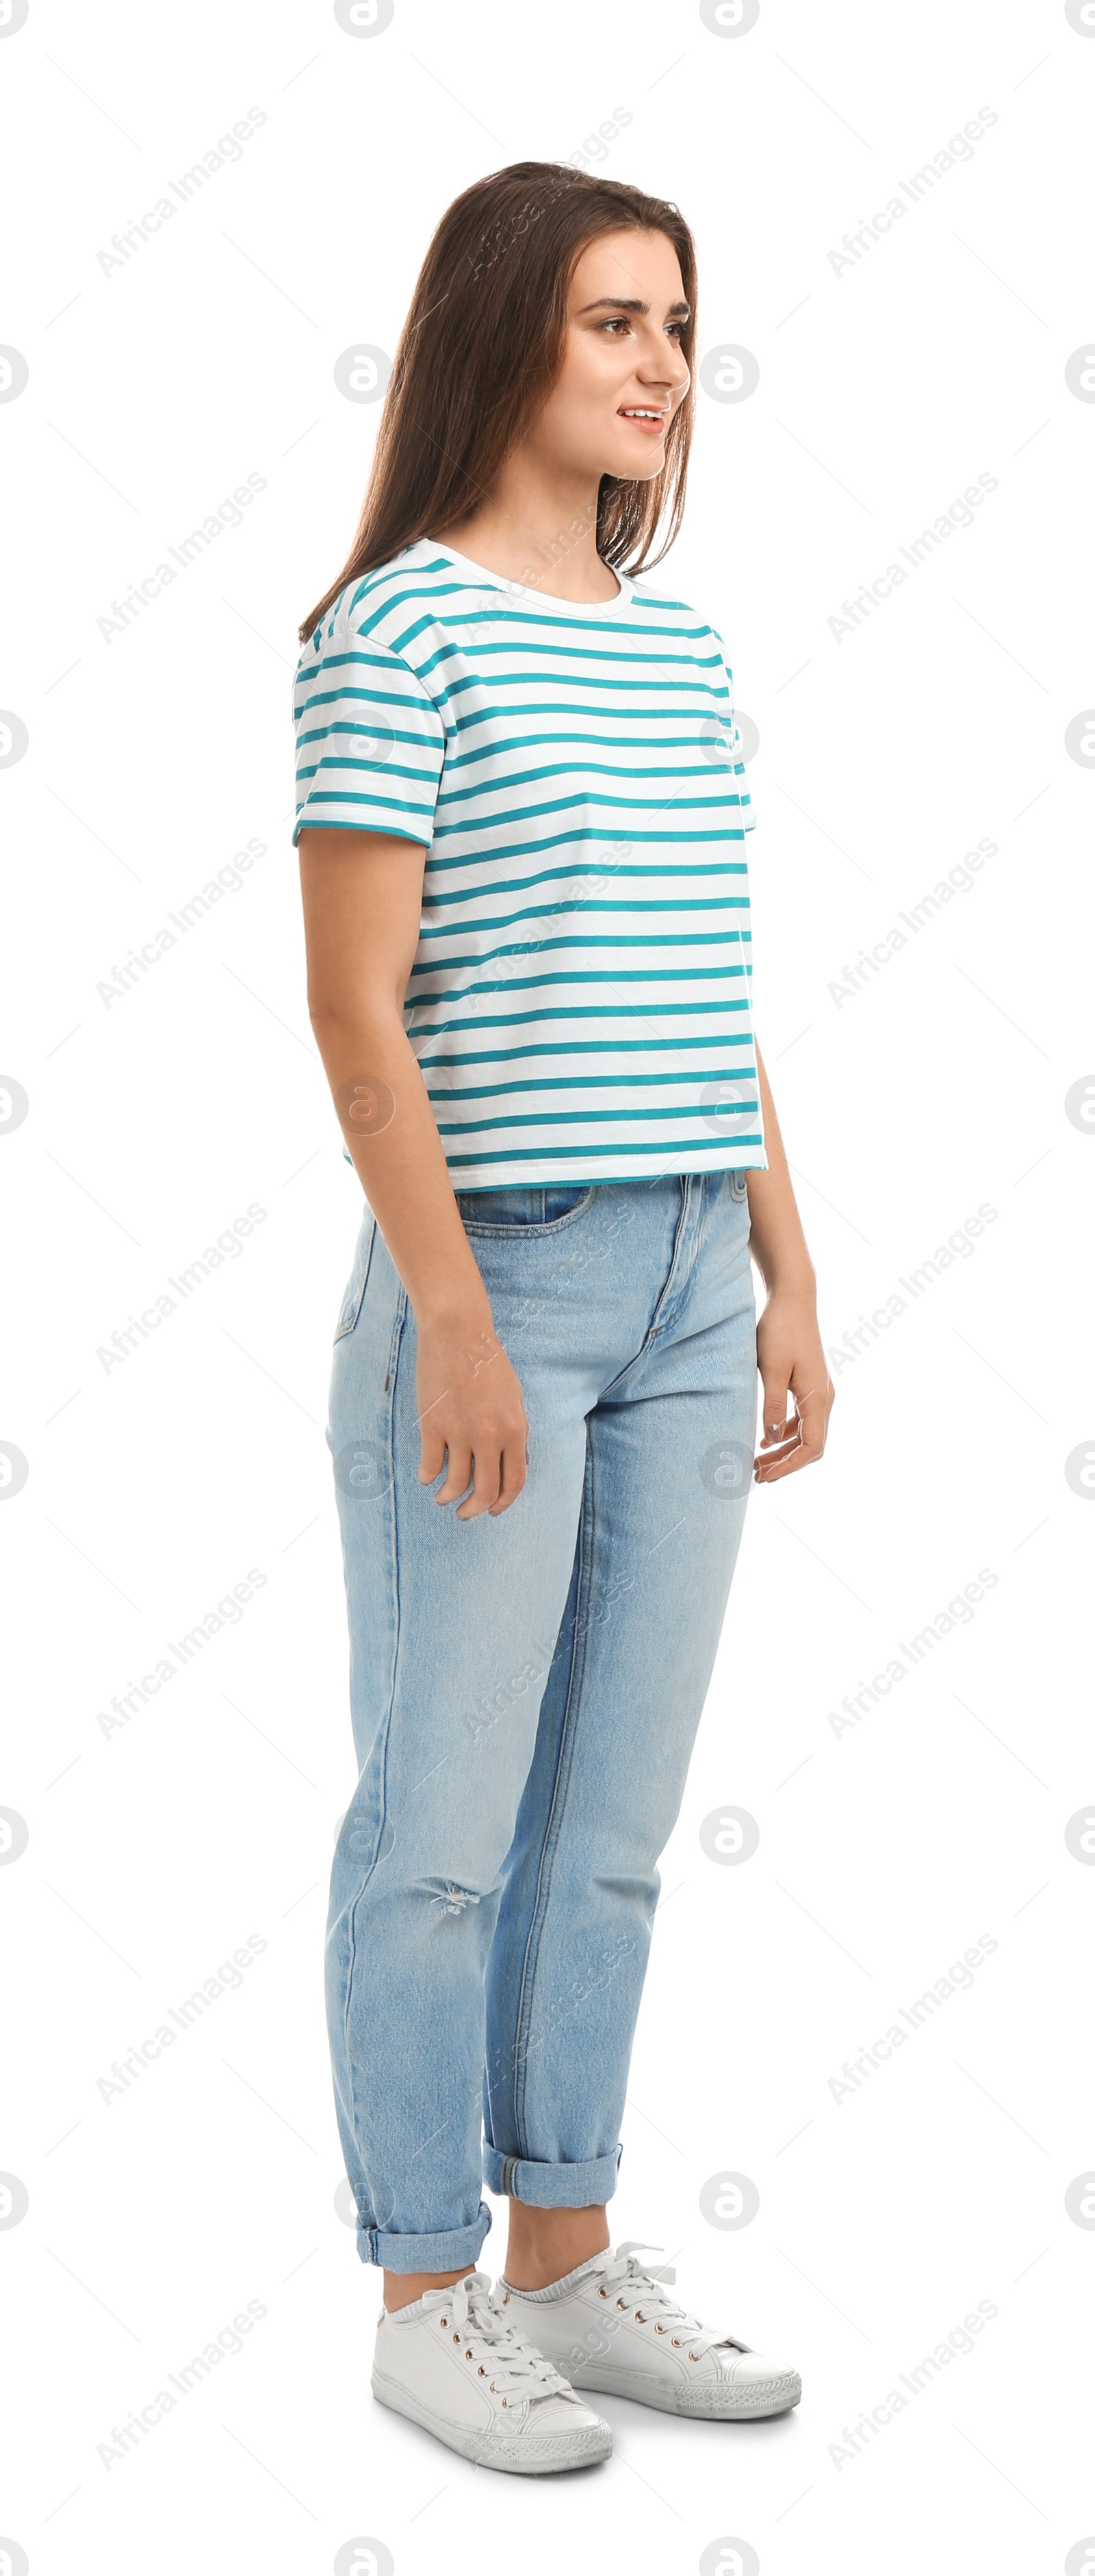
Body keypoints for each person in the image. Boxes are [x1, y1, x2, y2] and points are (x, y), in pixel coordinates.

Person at [293, 161, 834, 2476]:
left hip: (695, 1273)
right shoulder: (391, 633)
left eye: (679, 327)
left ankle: (568, 2258)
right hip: (489, 1271)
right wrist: (451, 1316)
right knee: (445, 1823)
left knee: (609, 1824)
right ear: (507, 332)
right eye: (615, 318)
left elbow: (700, 985)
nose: (656, 362)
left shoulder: (676, 638)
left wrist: (788, 1258)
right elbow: (354, 1006)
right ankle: (426, 2282)